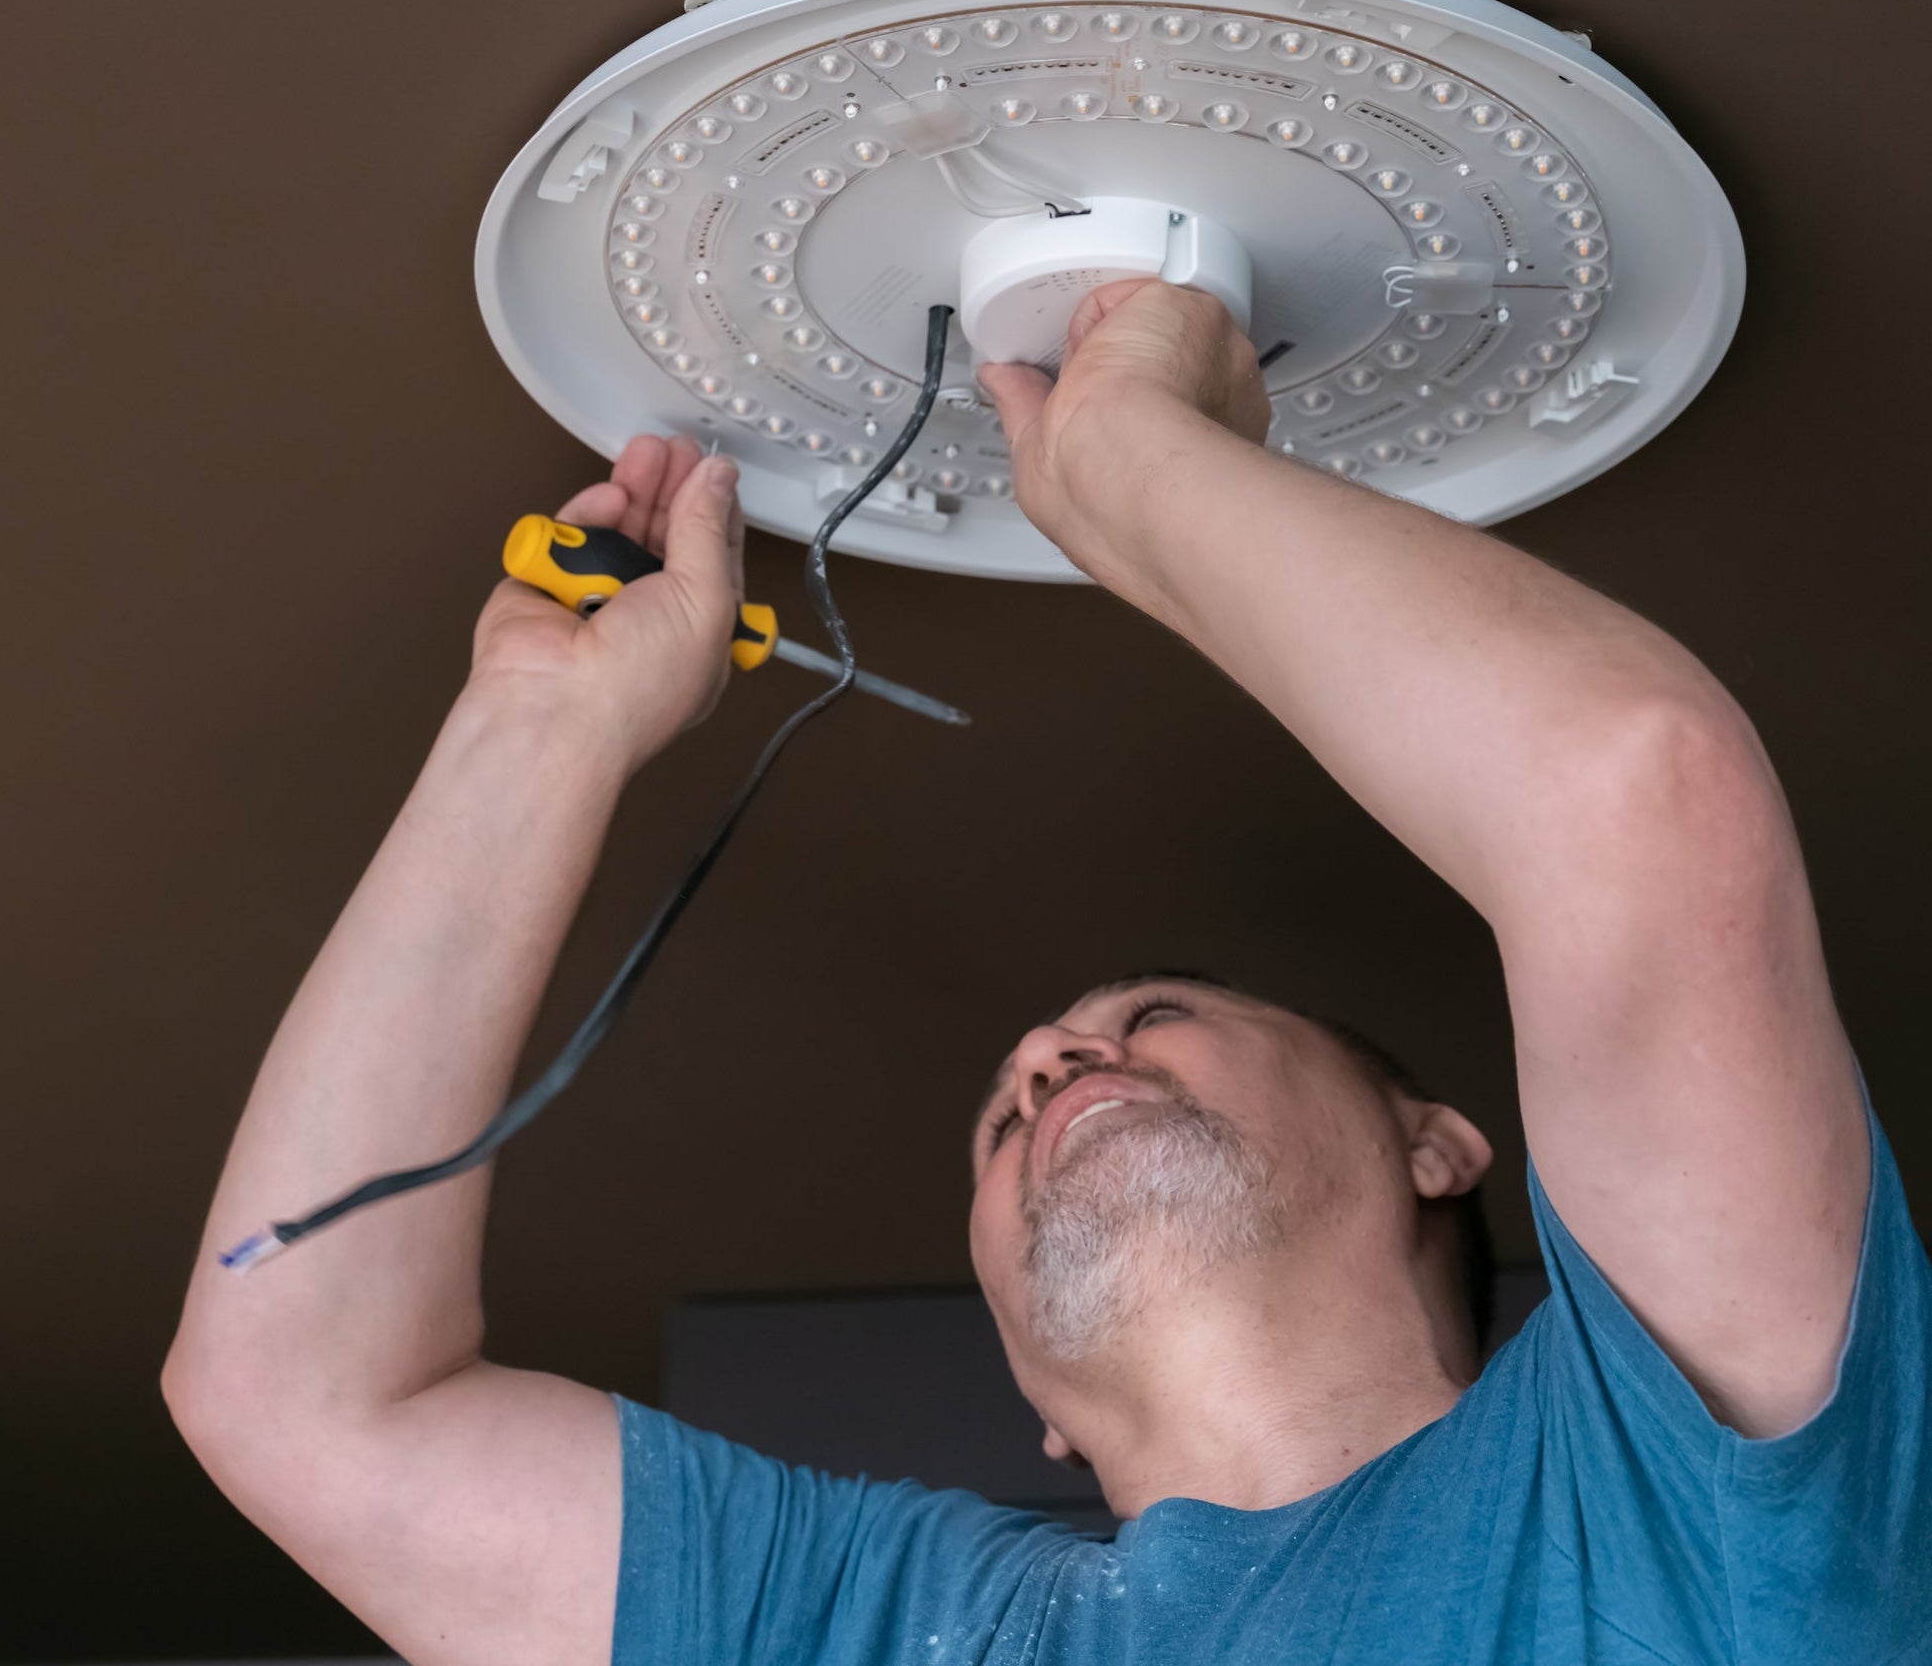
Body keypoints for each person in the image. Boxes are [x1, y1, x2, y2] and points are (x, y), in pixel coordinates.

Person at [163, 279, 1930, 1665]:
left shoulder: (1660, 1478)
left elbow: (1636, 800)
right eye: (1072, 1060)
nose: (1040, 1054)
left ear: (1440, 1144)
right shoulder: (883, 1624)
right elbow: (301, 1391)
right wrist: (534, 734)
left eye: (1150, 1018)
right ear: (1033, 1400)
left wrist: (1134, 466)